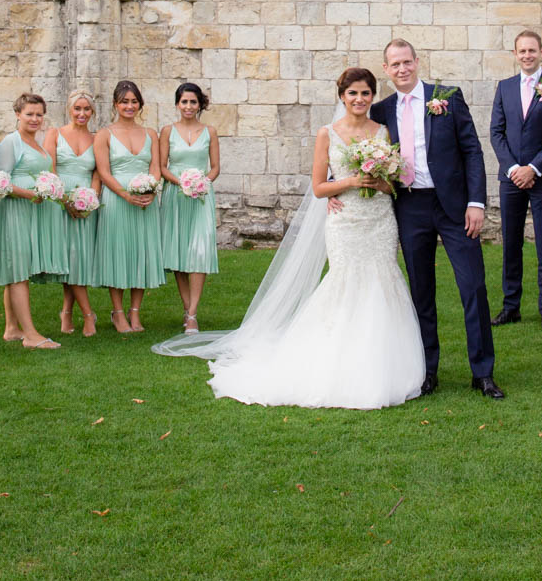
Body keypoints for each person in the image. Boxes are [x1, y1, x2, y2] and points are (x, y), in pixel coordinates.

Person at [153, 67, 425, 410]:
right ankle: (337, 363)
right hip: (345, 221)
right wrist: (352, 182)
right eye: (353, 93)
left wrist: (378, 179)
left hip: (380, 220)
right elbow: (319, 187)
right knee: (346, 283)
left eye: (366, 93)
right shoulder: (328, 133)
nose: (359, 99)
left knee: (382, 281)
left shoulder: (383, 132)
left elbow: (392, 185)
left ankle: (385, 363)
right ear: (342, 96)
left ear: (373, 96)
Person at [371, 38, 502, 399]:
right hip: (410, 207)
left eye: (407, 62)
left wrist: (476, 202)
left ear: (417, 61)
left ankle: (483, 372)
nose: (402, 69)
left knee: (473, 286)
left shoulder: (447, 96)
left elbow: (472, 151)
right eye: (394, 64)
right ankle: (427, 371)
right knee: (421, 292)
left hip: (455, 207)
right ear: (386, 69)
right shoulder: (380, 111)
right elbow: (356, 147)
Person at [488, 29, 542, 331]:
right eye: (522, 51)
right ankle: (511, 306)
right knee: (511, 243)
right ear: (515, 54)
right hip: (511, 179)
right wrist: (512, 169)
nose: (527, 55)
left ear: (541, 51)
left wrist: (533, 168)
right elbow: (496, 131)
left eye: (532, 50)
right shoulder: (505, 87)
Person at [0, 92, 62, 349]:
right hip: (14, 212)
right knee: (17, 271)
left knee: (17, 270)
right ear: (18, 114)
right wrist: (31, 193)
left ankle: (11, 328)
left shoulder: (37, 143)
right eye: (29, 114)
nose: (34, 119)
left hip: (32, 211)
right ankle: (31, 335)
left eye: (39, 114)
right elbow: (0, 181)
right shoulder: (11, 142)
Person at [93, 79, 165, 334]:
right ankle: (118, 312)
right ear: (115, 104)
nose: (129, 106)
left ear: (140, 105)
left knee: (141, 253)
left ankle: (135, 312)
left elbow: (155, 167)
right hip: (116, 201)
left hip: (145, 202)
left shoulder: (150, 134)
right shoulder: (104, 135)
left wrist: (151, 190)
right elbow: (103, 172)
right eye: (124, 101)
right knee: (118, 252)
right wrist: (125, 195)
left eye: (134, 102)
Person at [159, 82, 220, 333]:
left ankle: (193, 313)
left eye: (192, 102)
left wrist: (201, 183)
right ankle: (187, 309)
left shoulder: (210, 131)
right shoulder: (167, 131)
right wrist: (181, 183)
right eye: (184, 101)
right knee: (179, 254)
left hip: (201, 197)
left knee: (199, 252)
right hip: (175, 195)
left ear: (199, 104)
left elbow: (215, 166)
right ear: (177, 104)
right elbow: (162, 166)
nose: (188, 106)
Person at [42, 91, 101, 337]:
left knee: (79, 259)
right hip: (60, 200)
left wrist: (90, 200)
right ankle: (88, 314)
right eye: (77, 108)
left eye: (87, 109)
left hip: (85, 203)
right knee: (68, 257)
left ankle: (67, 311)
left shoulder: (97, 138)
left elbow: (98, 172)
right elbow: (49, 168)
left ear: (93, 112)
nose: (82, 113)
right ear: (69, 109)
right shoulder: (54, 134)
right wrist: (65, 200)